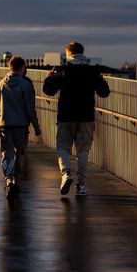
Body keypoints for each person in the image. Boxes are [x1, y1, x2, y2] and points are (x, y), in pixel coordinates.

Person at [43, 41, 110, 196]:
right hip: (86, 116)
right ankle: (80, 186)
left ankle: (66, 174)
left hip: (66, 115)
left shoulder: (62, 70)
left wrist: (49, 77)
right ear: (82, 52)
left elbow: (48, 91)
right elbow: (104, 92)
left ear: (69, 53)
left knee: (62, 147)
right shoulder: (91, 71)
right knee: (83, 150)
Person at [0, 56, 41, 199]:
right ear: (23, 68)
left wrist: (0, 120)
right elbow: (30, 109)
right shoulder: (26, 85)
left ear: (10, 67)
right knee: (19, 152)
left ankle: (8, 180)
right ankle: (16, 180)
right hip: (20, 125)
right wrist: (36, 127)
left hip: (4, 124)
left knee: (7, 153)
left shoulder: (1, 84)